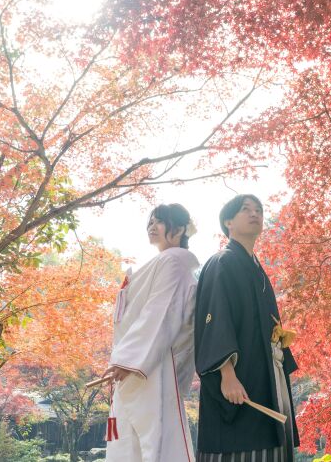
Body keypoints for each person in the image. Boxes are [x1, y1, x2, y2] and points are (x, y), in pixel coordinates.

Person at [195, 194, 299, 462]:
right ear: (228, 222)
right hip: (237, 374)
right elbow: (216, 317)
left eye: (259, 210)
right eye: (245, 209)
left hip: (266, 369)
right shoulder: (222, 262)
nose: (255, 214)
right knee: (241, 440)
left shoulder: (257, 268)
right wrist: (227, 374)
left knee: (271, 438)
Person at [104, 204, 199, 462]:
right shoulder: (165, 262)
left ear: (180, 229)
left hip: (153, 363)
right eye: (150, 222)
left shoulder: (174, 262)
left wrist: (128, 359)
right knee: (135, 437)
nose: (152, 227)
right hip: (142, 360)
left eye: (160, 222)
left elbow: (160, 312)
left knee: (151, 438)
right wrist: (124, 358)